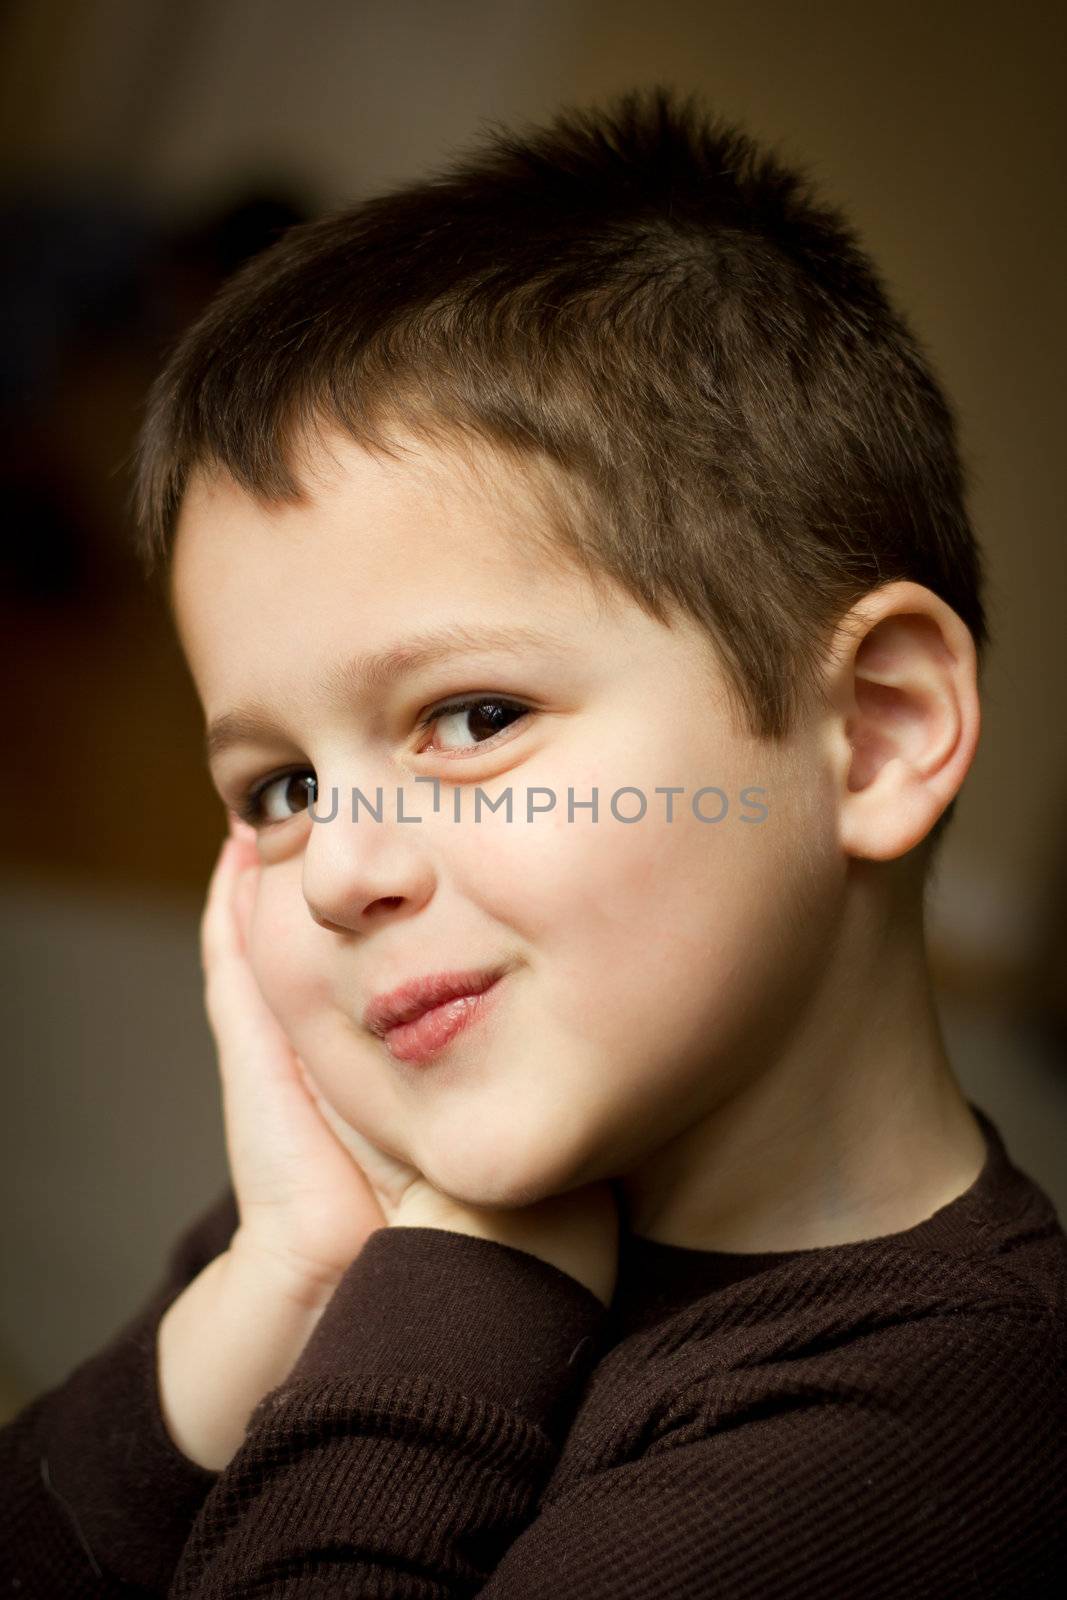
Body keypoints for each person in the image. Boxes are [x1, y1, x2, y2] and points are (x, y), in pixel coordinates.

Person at [3, 85, 1064, 1597]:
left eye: (475, 716)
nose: (341, 869)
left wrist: (451, 1304)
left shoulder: (944, 1435)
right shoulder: (375, 1210)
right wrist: (277, 1284)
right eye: (283, 786)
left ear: (877, 732)